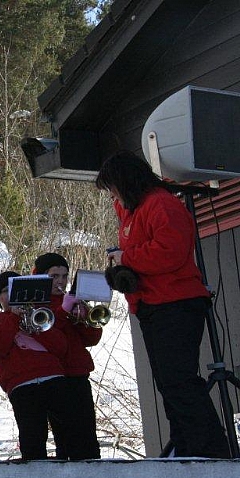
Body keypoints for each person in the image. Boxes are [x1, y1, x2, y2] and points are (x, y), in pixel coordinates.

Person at [96, 150, 230, 458]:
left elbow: (170, 250)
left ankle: (209, 448)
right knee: (169, 383)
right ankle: (186, 445)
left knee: (179, 380)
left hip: (176, 303)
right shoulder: (132, 211)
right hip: (151, 304)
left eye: (113, 188)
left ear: (125, 182)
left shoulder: (161, 204)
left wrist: (127, 258)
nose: (111, 195)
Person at [0, 271, 73, 460]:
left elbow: (61, 347)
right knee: (32, 438)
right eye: (6, 291)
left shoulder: (41, 314)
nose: (12, 295)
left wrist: (37, 324)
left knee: (68, 433)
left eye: (15, 289)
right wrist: (14, 318)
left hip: (53, 378)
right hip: (21, 385)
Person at [33, 252, 101, 460]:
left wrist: (85, 319)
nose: (60, 281)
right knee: (66, 436)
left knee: (87, 435)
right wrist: (63, 312)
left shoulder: (70, 299)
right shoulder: (37, 303)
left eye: (64, 276)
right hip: (56, 376)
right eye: (54, 276)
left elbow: (92, 338)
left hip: (78, 373)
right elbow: (50, 336)